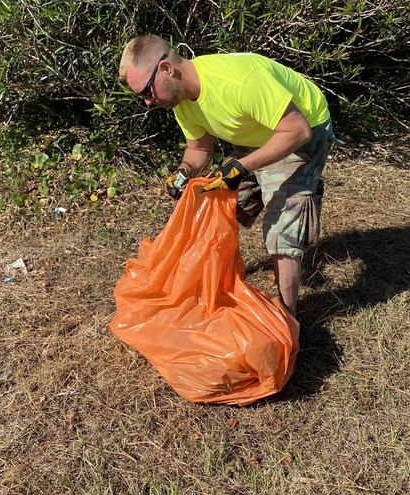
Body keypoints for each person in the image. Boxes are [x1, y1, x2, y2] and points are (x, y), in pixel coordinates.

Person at [119, 33, 334, 316]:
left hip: (301, 134)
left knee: (282, 230)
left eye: (147, 91)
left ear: (166, 69)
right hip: (256, 133)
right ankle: (220, 286)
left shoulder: (238, 81)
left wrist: (243, 166)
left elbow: (297, 130)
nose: (147, 102)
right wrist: (183, 173)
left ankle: (286, 321)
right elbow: (199, 148)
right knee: (218, 207)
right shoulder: (181, 98)